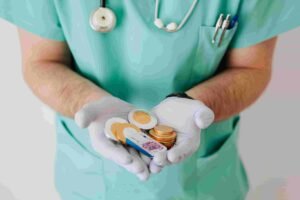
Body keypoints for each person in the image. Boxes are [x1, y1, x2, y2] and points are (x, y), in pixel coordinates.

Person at [0, 0, 299, 199]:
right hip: (89, 180)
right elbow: (41, 61)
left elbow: (252, 67)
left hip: (204, 183)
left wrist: (196, 105)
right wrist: (87, 101)